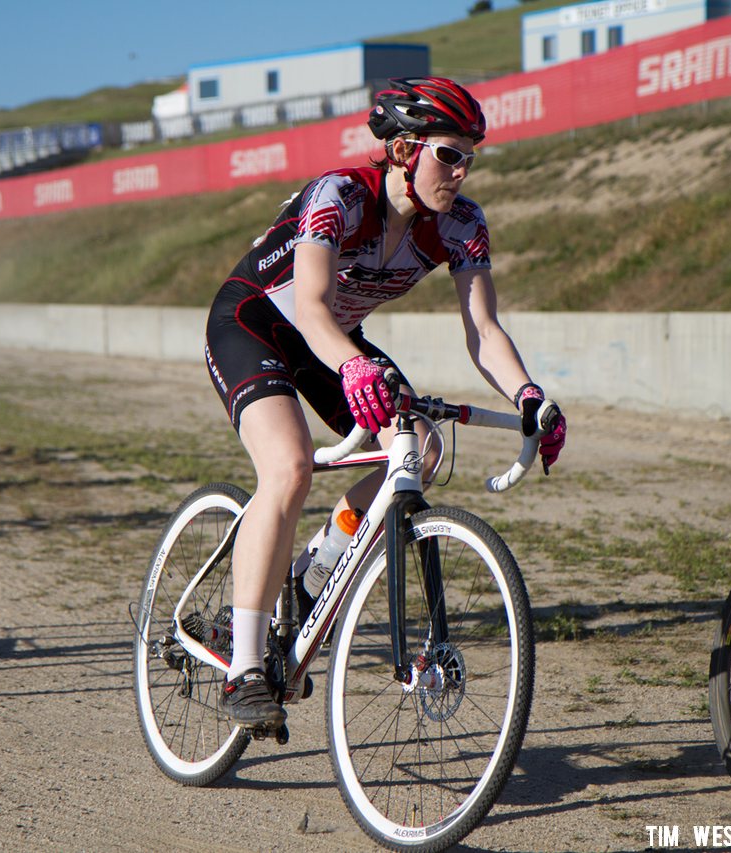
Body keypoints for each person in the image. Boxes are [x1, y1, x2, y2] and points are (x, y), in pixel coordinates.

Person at [203, 77, 567, 728]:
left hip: (335, 341)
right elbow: (310, 306)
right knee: (288, 467)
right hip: (256, 322)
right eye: (448, 154)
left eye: (469, 157)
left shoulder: (461, 224)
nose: (460, 171)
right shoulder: (338, 196)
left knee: (419, 448)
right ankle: (245, 670)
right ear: (402, 150)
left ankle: (308, 570)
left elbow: (482, 330)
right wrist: (352, 364)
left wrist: (529, 395)